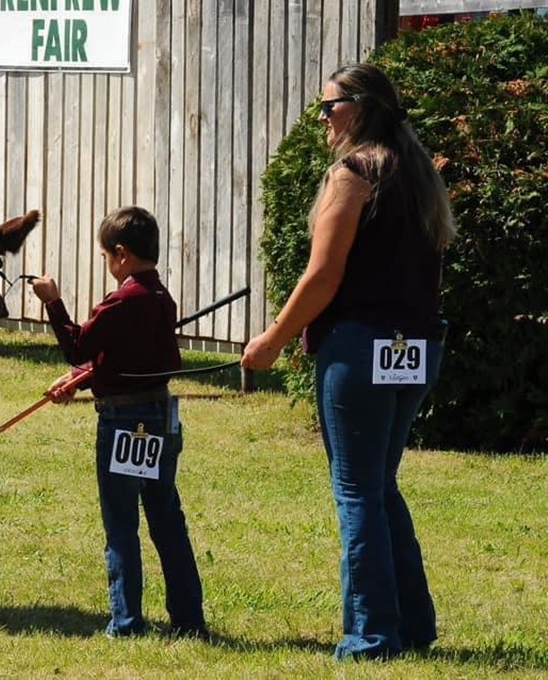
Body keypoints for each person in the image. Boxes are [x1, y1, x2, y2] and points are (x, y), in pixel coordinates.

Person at [240, 63, 456, 660]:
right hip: (415, 349)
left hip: (359, 349)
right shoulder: (416, 175)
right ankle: (411, 627)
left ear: (357, 110)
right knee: (381, 487)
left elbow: (322, 278)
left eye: (328, 108)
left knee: (358, 492)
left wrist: (274, 339)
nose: (322, 119)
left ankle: (371, 637)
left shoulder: (353, 174)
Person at [30, 206, 209, 640]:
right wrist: (82, 378)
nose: (108, 265)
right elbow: (128, 360)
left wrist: (53, 301)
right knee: (167, 518)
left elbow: (77, 345)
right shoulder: (161, 299)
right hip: (160, 416)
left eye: (107, 257)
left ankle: (126, 622)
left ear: (122, 254)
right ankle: (188, 620)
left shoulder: (122, 300)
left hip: (123, 421)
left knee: (122, 522)